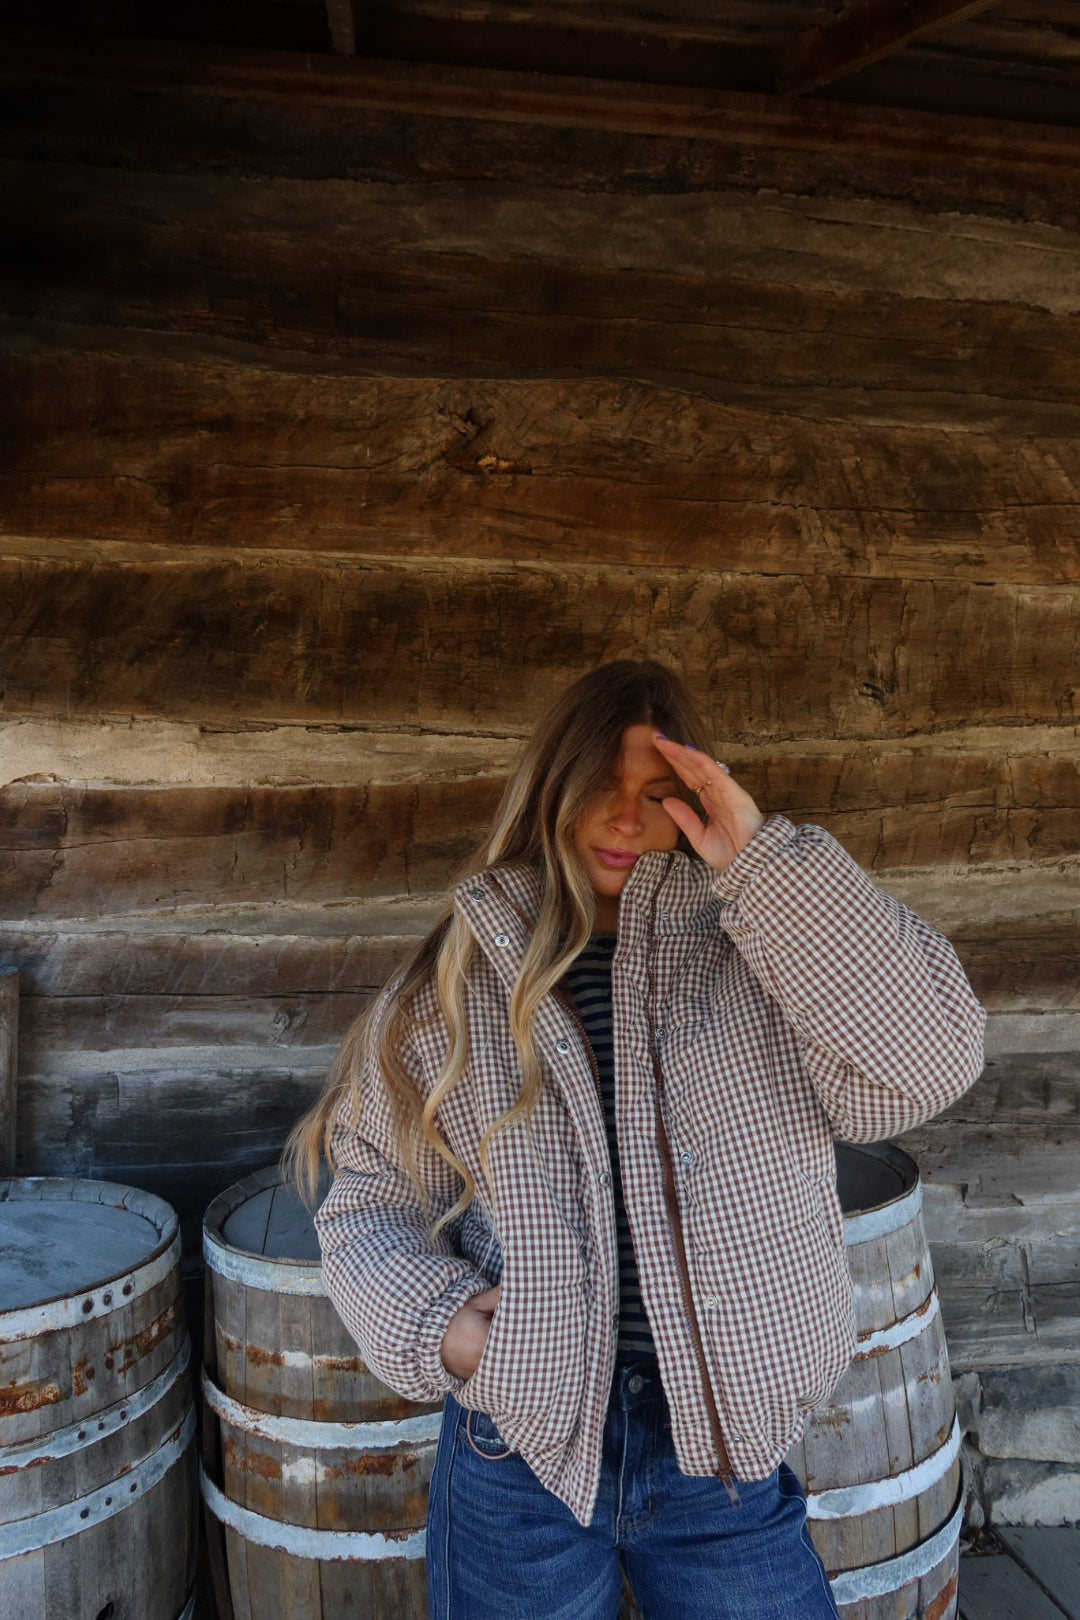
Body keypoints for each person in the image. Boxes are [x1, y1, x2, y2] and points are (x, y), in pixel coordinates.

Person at [288, 660, 985, 1620]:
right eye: (598, 787)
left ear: (700, 799)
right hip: (519, 1447)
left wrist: (767, 866)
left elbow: (931, 1063)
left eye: (658, 794)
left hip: (722, 1455)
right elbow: (370, 1198)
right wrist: (440, 1326)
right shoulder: (461, 980)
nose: (624, 818)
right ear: (551, 790)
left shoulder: (769, 955)